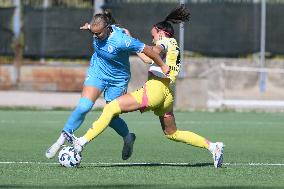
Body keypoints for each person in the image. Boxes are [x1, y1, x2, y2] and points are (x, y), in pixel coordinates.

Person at [68, 4, 224, 168]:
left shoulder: (164, 41)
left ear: (161, 32)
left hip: (155, 89)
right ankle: (213, 147)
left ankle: (81, 142)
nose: (153, 39)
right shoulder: (174, 45)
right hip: (167, 94)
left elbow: (154, 50)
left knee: (110, 108)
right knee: (173, 133)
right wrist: (130, 42)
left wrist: (148, 47)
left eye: (153, 35)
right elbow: (147, 58)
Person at [45, 10, 169, 161]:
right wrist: (88, 28)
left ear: (107, 28)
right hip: (97, 73)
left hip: (118, 79)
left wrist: (162, 65)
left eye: (98, 34)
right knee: (83, 107)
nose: (96, 36)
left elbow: (148, 51)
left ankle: (128, 137)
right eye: (93, 33)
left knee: (110, 116)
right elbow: (93, 28)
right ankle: (60, 141)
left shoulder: (122, 40)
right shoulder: (95, 28)